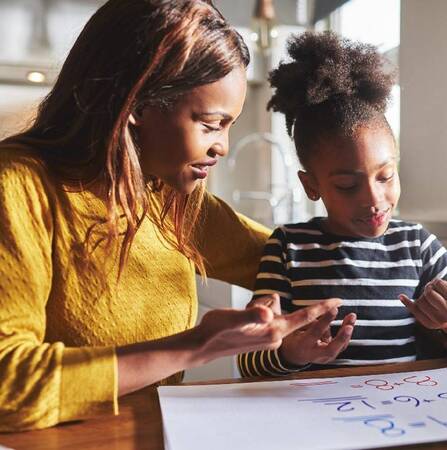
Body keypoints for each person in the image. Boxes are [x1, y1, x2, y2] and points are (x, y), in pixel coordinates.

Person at [0, 1, 344, 432]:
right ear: (138, 106)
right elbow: (8, 385)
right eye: (210, 123)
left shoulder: (169, 197)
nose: (223, 147)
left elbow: (300, 263)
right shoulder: (18, 185)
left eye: (229, 125)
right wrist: (197, 345)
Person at [237, 31, 447, 377]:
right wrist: (289, 354)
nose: (373, 199)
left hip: (401, 414)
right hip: (314, 417)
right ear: (311, 186)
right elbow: (248, 359)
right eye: (347, 185)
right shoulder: (287, 247)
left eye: (386, 176)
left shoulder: (415, 245)